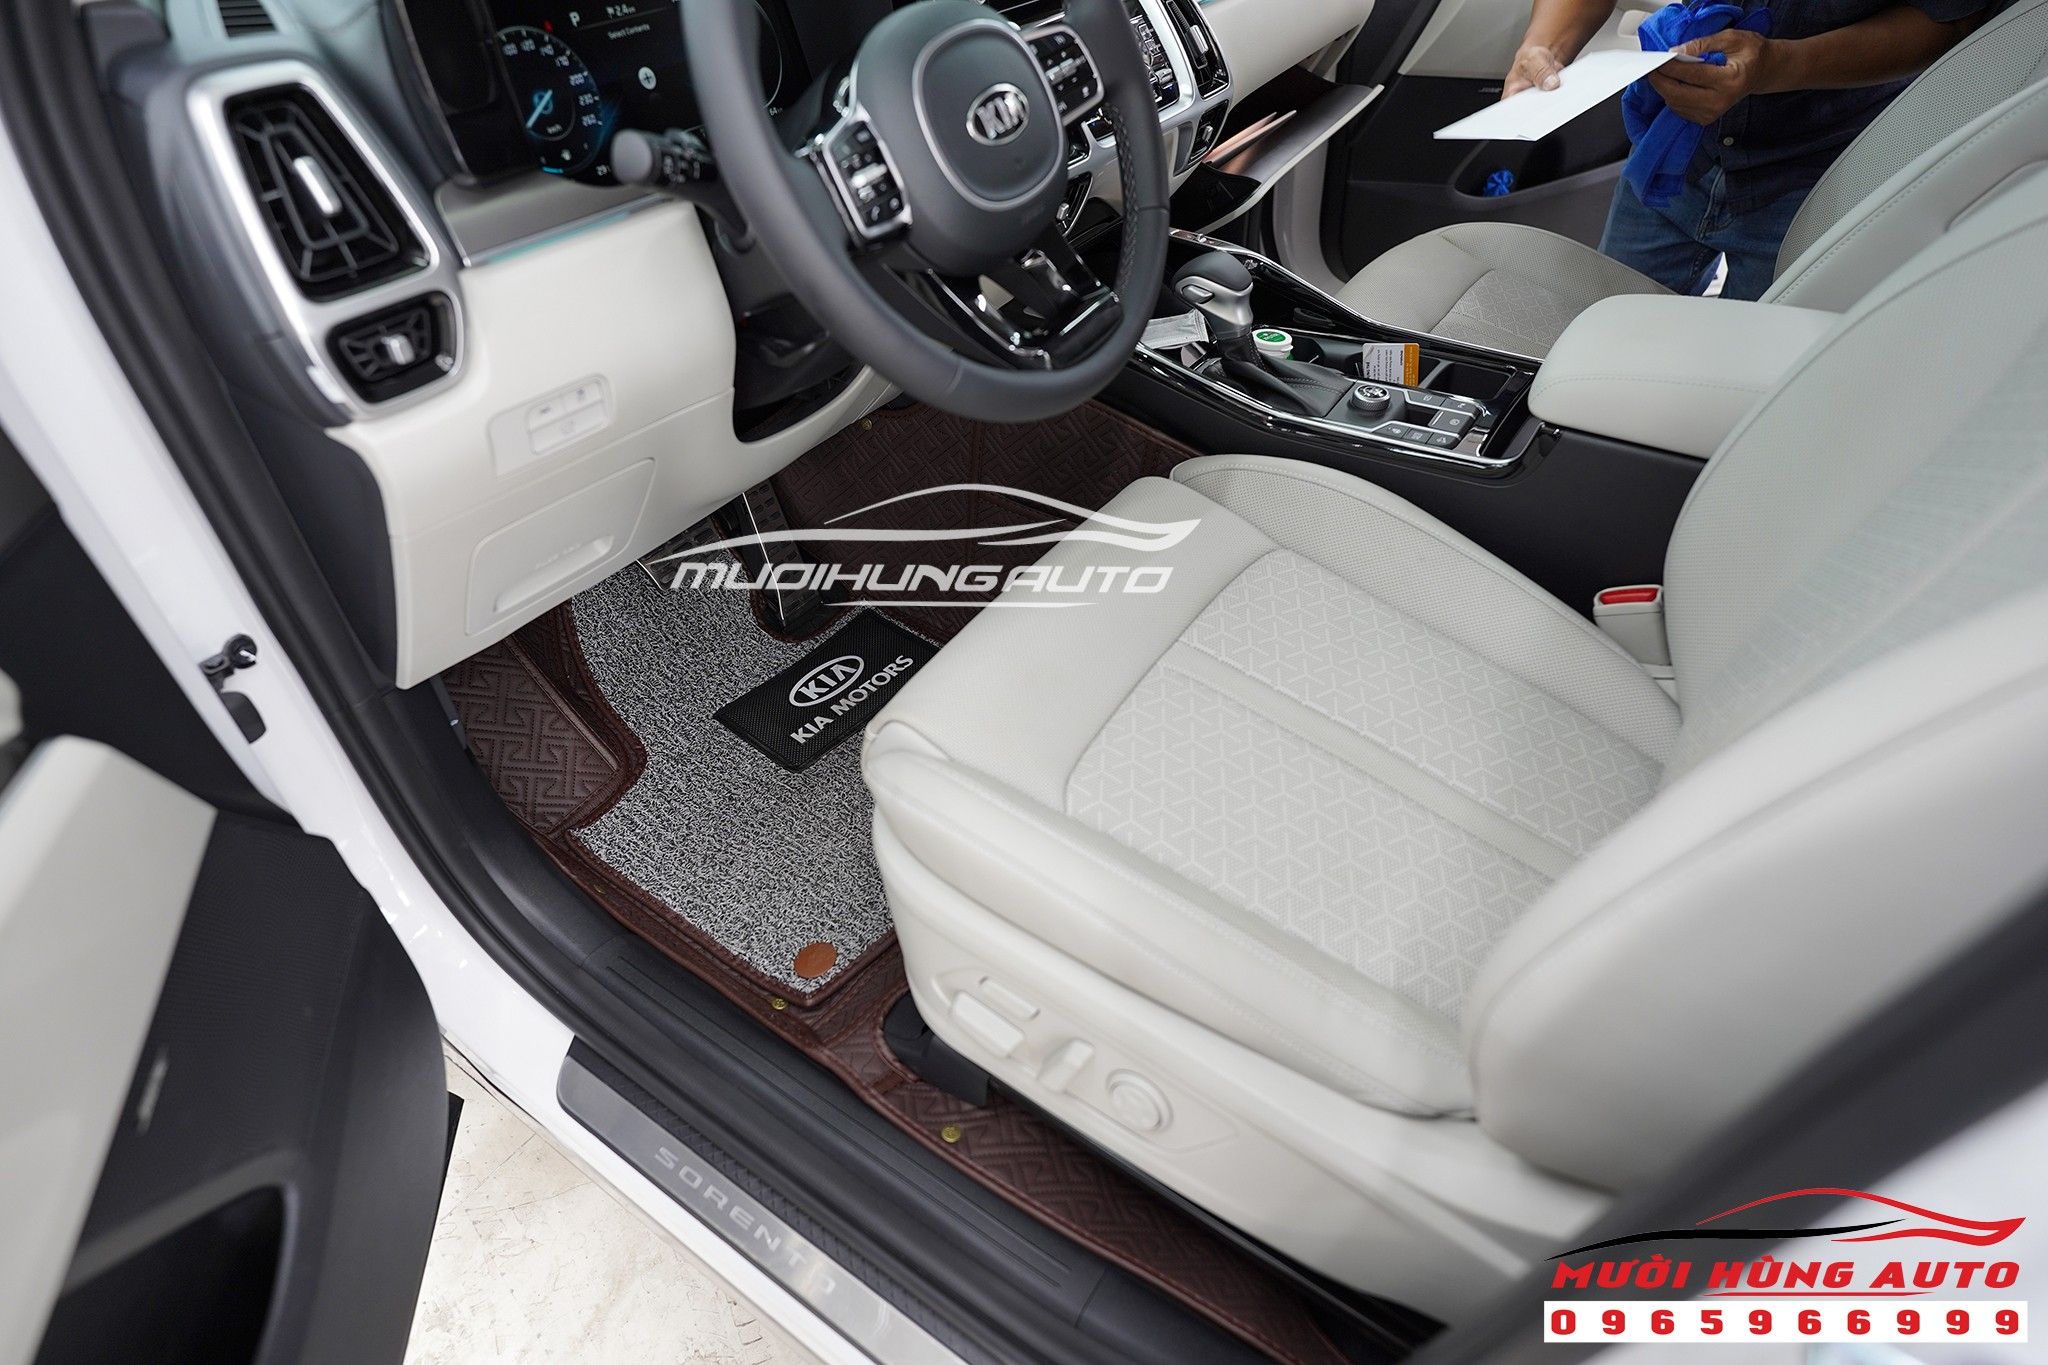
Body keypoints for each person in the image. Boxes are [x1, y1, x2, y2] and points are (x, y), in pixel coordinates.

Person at [1503, 0, 1990, 298]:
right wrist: (1544, 47)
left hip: (1823, 173)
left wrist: (1780, 65)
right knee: (1600, 325)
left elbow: (1948, 19)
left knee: (1754, 375)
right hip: (1674, 150)